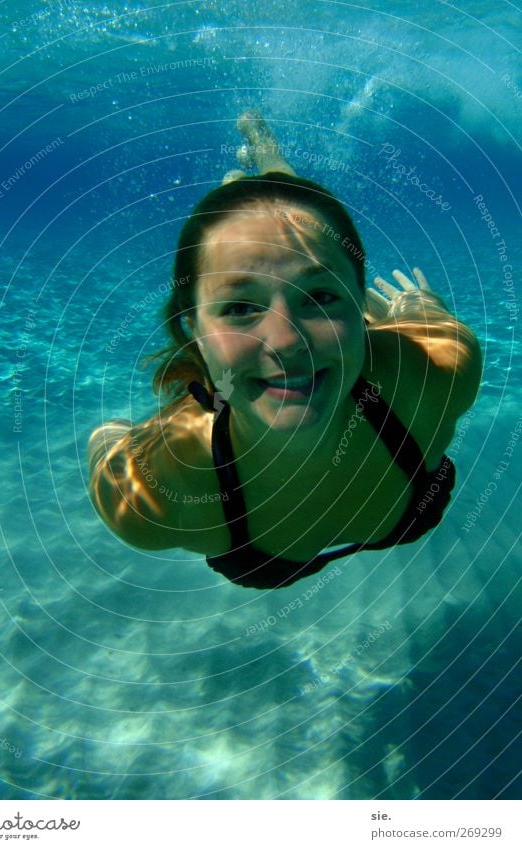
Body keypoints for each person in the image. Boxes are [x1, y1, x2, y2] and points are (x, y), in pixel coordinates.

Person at [88, 111, 482, 589]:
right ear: (192, 329)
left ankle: (270, 161)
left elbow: (435, 329)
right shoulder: (151, 493)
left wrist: (417, 305)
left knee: (289, 217)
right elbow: (105, 444)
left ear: (359, 306)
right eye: (239, 307)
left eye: (320, 297)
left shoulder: (435, 372)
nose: (286, 341)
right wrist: (114, 435)